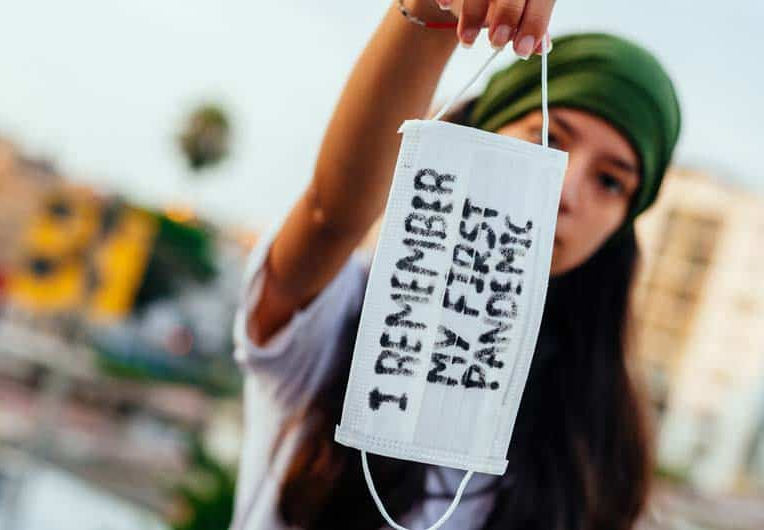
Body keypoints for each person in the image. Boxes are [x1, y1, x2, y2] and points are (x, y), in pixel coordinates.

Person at [229, 1, 681, 529]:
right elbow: (331, 213)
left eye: (610, 181)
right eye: (546, 138)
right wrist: (432, 12)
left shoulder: (598, 449)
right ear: (482, 134)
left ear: (621, 226)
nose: (565, 189)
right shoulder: (338, 316)